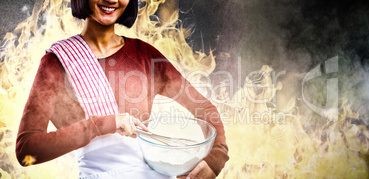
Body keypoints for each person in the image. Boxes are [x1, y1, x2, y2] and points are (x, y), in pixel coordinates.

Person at [15, 0, 229, 178]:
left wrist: (216, 158)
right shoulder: (57, 62)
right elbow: (27, 149)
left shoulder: (144, 55)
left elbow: (204, 108)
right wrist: (105, 124)